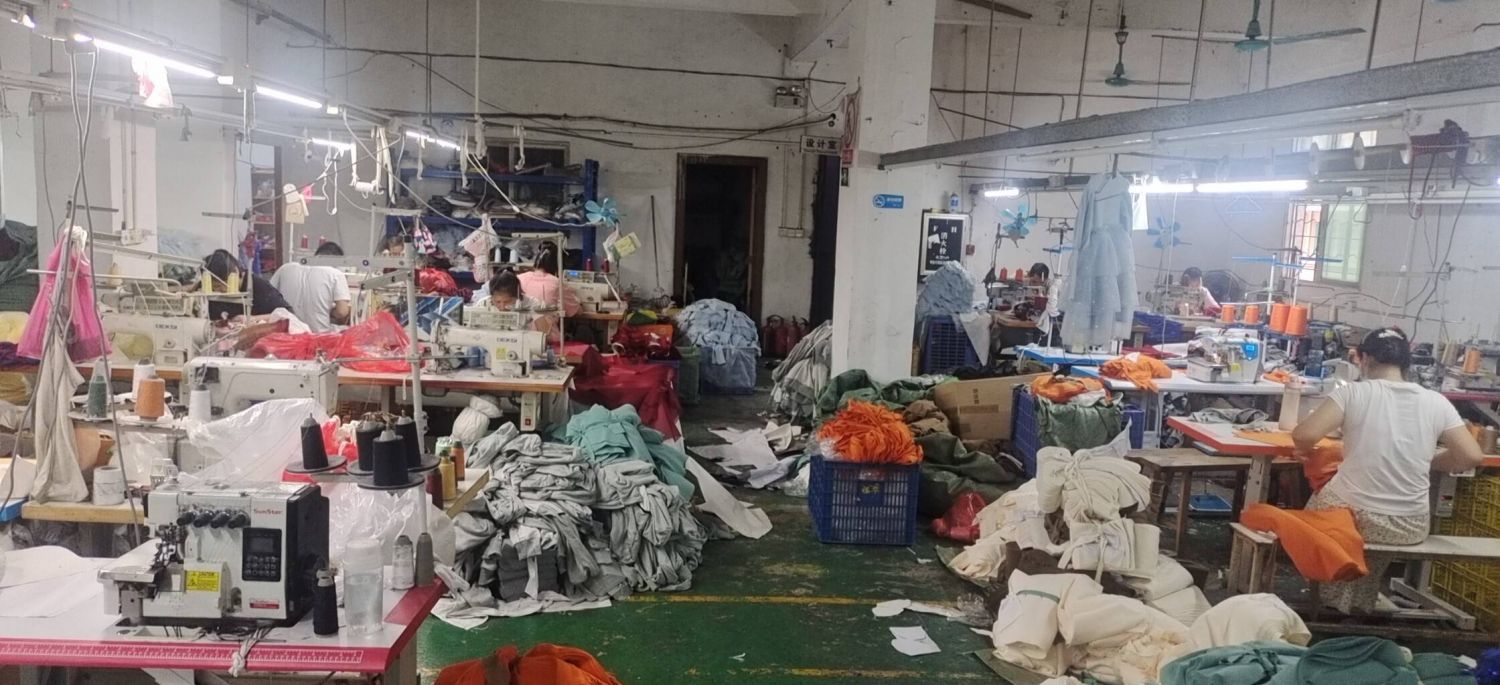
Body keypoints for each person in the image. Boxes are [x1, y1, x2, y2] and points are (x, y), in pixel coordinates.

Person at [1292, 327, 1484, 613]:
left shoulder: (1354, 393)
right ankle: (1358, 601)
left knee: (1322, 504)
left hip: (1358, 519)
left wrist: (1305, 449)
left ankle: (1331, 595)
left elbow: (1304, 435)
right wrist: (1428, 461)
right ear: (1406, 362)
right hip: (1411, 526)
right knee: (1360, 512)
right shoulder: (1436, 401)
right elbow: (1471, 456)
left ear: (1364, 358)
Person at [270, 242, 352, 333]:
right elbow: (342, 312)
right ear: (337, 261)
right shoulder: (336, 274)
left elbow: (268, 295)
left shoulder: (285, 268)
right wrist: (329, 311)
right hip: (318, 334)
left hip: (287, 332)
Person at [202, 249, 293, 321]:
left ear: (235, 272)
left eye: (219, 286)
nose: (217, 291)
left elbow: (288, 314)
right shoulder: (209, 285)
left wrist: (252, 319)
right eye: (214, 287)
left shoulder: (258, 286)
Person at [483, 269, 558, 343]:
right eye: (497, 302)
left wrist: (545, 322)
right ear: (491, 297)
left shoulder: (530, 303)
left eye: (507, 302)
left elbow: (544, 334)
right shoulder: (484, 304)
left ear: (517, 297)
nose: (502, 307)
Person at [517, 242, 580, 317]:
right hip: (544, 324)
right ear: (557, 264)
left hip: (522, 324)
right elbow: (576, 311)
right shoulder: (556, 283)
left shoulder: (519, 278)